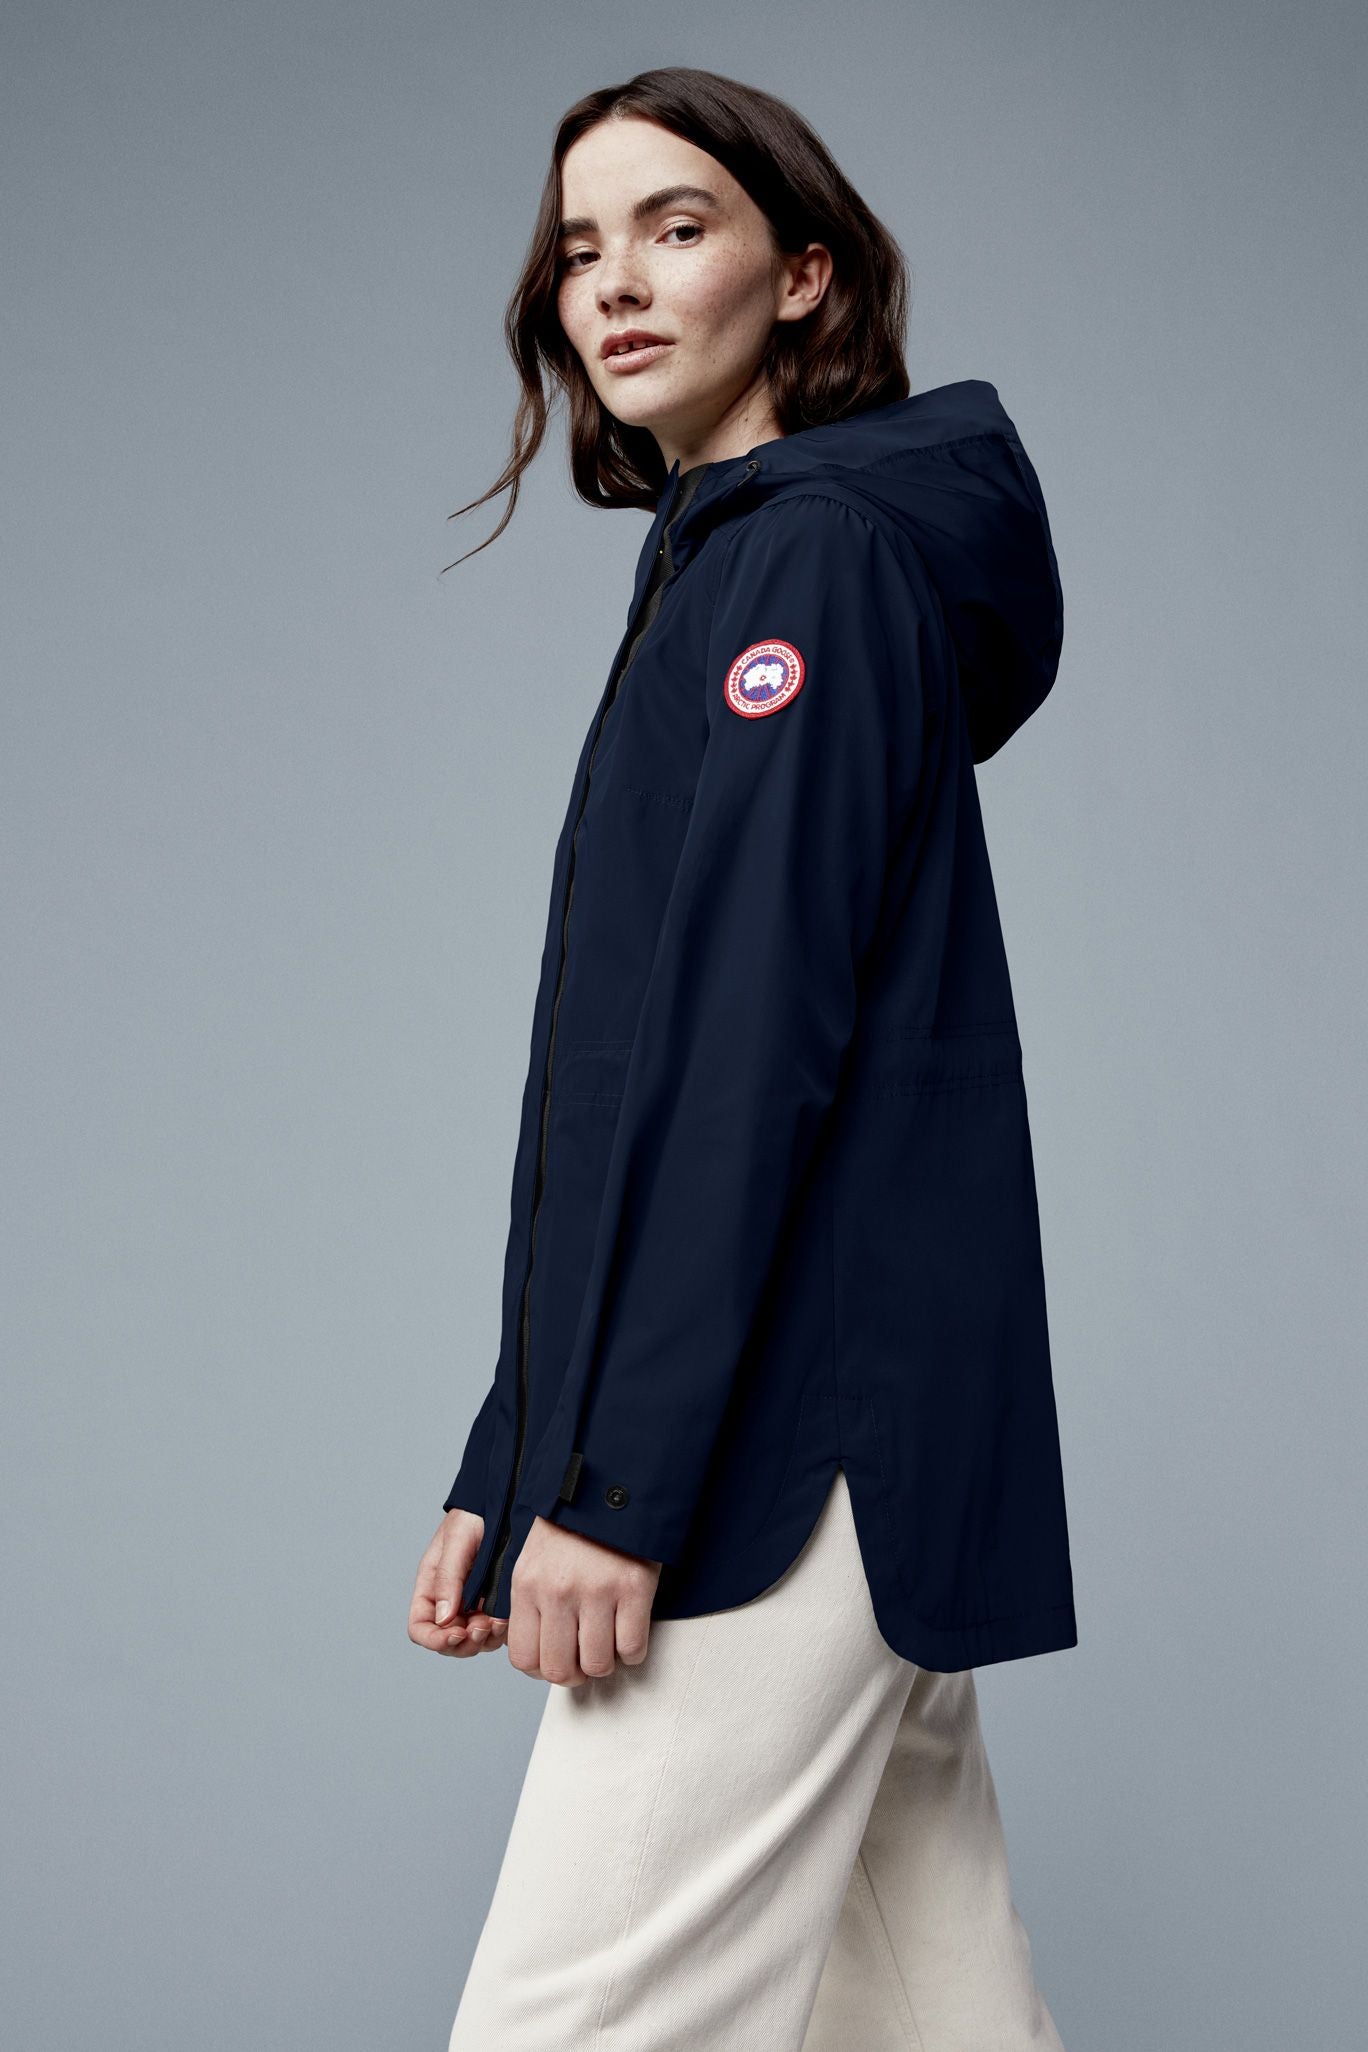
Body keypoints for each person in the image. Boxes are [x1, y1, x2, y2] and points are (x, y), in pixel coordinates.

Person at [409, 64, 1077, 2051]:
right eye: (579, 248)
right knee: (936, 2017)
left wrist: (612, 1488)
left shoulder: (812, 565)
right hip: (826, 1436)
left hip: (793, 1452)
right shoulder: (732, 566)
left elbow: (740, 1050)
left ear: (803, 276)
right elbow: (620, 1090)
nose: (611, 282)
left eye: (674, 227)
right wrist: (515, 1450)